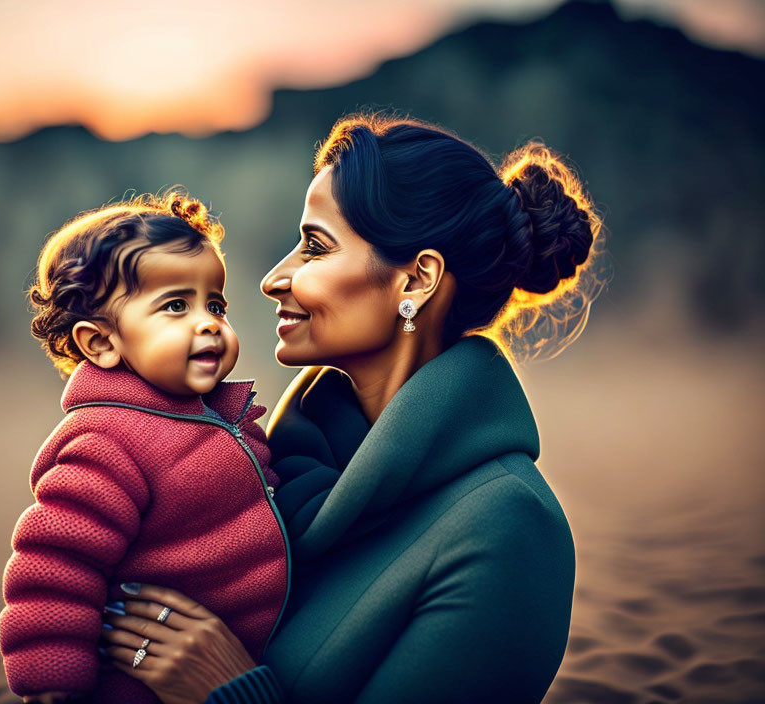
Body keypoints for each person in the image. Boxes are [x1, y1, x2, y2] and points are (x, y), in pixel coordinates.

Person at [98, 113, 608, 703]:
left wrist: (230, 691)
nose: (272, 278)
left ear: (416, 281)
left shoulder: (508, 528)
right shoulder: (263, 470)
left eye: (315, 246)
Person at [0, 193, 290, 703]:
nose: (208, 322)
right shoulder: (105, 443)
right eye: (176, 305)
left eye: (215, 304)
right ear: (102, 344)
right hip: (142, 686)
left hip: (230, 669)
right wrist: (52, 685)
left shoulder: (227, 419)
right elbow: (53, 569)